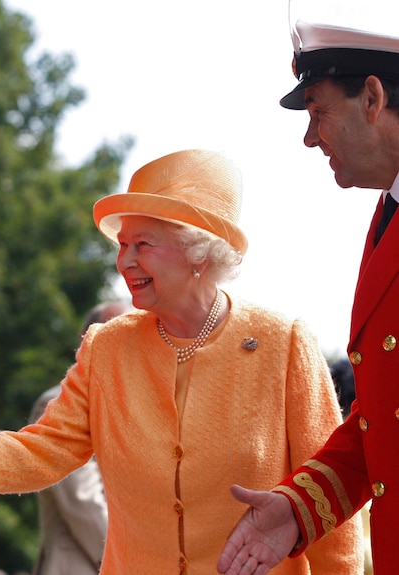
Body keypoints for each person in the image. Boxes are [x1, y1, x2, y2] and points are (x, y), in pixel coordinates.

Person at [0, 149, 364, 574]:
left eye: (143, 244)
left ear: (199, 252)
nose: (125, 261)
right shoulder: (107, 346)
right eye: (122, 245)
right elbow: (48, 446)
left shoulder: (284, 343)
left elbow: (327, 493)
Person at [216, 20, 399, 575]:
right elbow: (382, 415)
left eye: (317, 111)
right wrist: (300, 508)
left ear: (372, 97)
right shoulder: (387, 212)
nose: (309, 137)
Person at [28, 300, 130, 575]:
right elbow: (82, 502)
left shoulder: (135, 410)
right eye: (118, 331)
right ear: (88, 342)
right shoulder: (57, 403)